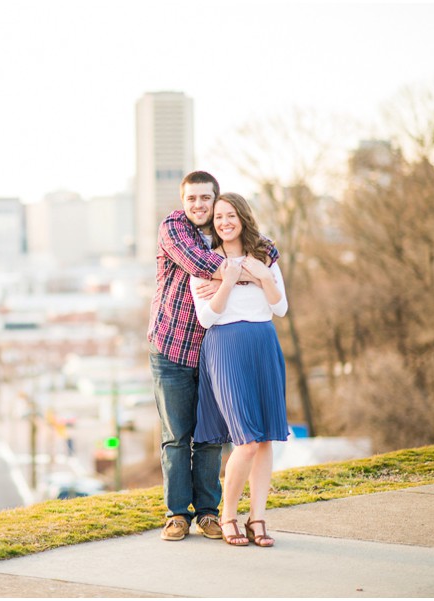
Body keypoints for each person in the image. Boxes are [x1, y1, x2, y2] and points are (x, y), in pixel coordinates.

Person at [147, 171, 278, 542]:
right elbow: (202, 264)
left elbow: (267, 251)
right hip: (171, 346)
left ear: (216, 199)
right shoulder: (174, 227)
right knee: (176, 436)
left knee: (209, 437)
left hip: (212, 352)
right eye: (192, 199)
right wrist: (244, 273)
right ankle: (176, 514)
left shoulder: (222, 231)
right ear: (183, 201)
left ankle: (208, 512)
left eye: (206, 198)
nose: (199, 205)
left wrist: (252, 271)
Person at [189, 191, 289, 547]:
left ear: (243, 217)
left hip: (264, 343)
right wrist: (227, 281)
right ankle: (228, 515)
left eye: (230, 215)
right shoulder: (204, 262)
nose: (224, 222)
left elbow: (281, 309)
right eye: (218, 217)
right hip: (226, 347)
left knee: (264, 440)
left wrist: (263, 277)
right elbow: (206, 318)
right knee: (245, 441)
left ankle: (257, 518)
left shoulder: (265, 256)